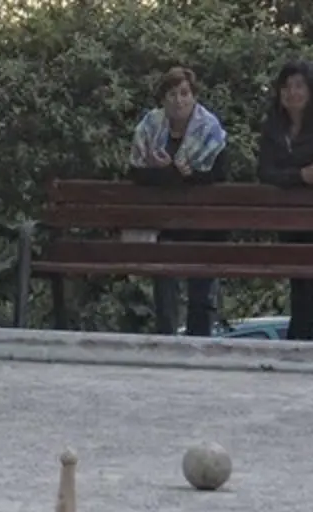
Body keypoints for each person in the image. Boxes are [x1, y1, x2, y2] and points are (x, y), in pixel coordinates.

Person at [127, 66, 230, 337]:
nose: (178, 100)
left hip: (205, 227)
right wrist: (169, 172)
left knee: (202, 297)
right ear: (163, 99)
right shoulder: (150, 126)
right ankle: (166, 341)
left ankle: (200, 345)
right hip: (165, 226)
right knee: (165, 290)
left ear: (194, 96)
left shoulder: (210, 129)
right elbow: (137, 172)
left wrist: (187, 175)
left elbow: (218, 175)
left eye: (184, 93)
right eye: (171, 94)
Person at [257, 60, 313, 342]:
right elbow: (265, 172)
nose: (291, 92)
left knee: (308, 283)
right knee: (299, 284)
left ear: (310, 91)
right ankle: (300, 339)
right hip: (288, 221)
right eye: (285, 87)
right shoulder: (273, 128)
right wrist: (300, 175)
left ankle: (302, 338)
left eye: (298, 86)